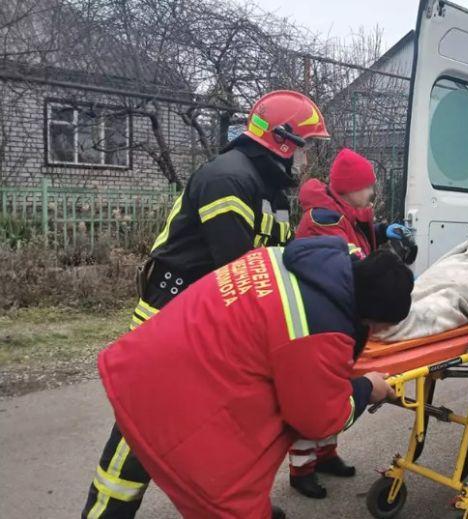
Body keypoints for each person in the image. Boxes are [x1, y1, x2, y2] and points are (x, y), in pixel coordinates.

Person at [82, 90, 330, 519]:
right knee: (141, 428)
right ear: (284, 141)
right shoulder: (228, 178)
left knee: (213, 421)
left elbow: (275, 258)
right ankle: (105, 513)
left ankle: (236, 501)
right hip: (171, 315)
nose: (307, 159)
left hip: (208, 317)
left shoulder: (268, 188)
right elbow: (235, 265)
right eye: (307, 147)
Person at [95, 237, 414, 518]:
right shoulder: (318, 328)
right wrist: (367, 388)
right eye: (376, 326)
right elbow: (317, 419)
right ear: (369, 313)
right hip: (176, 396)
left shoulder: (298, 260)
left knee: (121, 476)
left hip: (150, 362)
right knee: (221, 497)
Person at [288, 147, 414, 498]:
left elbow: (358, 232)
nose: (372, 193)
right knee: (316, 395)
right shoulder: (323, 221)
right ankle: (301, 469)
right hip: (321, 319)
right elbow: (348, 260)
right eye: (367, 187)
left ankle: (325, 454)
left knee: (337, 386)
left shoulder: (342, 210)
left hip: (344, 310)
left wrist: (382, 228)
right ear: (348, 189)